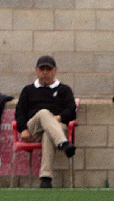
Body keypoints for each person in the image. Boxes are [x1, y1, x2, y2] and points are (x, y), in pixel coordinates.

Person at [14, 55, 77, 188]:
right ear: (36, 70)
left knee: (49, 133)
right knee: (43, 113)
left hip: (57, 127)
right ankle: (63, 143)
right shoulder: (28, 90)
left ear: (55, 71)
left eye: (48, 69)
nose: (45, 72)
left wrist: (59, 118)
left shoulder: (64, 89)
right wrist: (23, 129)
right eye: (42, 69)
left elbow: (71, 110)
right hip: (33, 128)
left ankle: (46, 179)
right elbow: (19, 112)